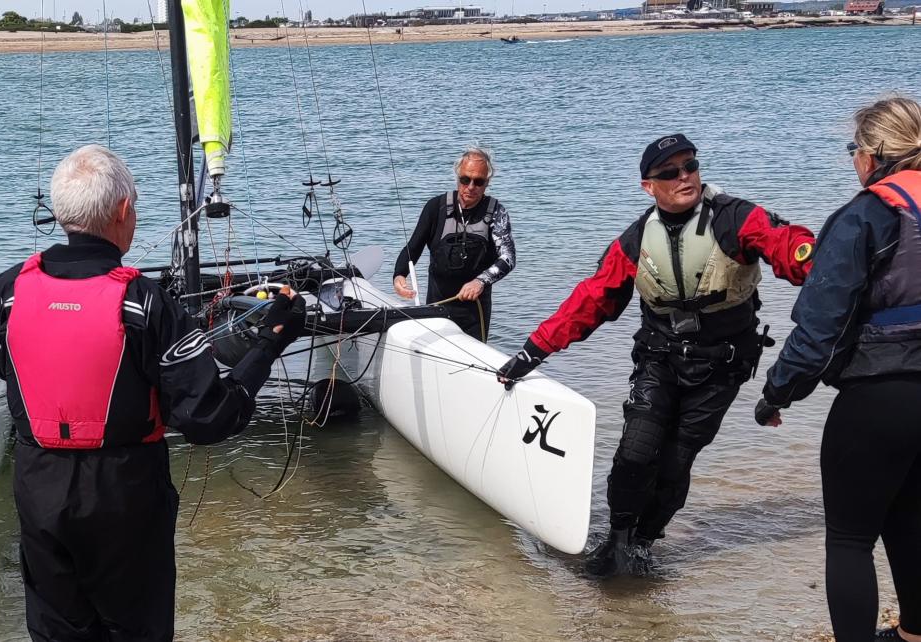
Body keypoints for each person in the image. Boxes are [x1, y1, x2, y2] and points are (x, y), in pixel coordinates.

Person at [0, 144, 306, 641]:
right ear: (124, 210)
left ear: (62, 211)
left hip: (38, 483)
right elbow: (209, 419)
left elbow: (6, 367)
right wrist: (269, 343)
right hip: (123, 491)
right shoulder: (147, 304)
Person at [497, 134, 815, 576]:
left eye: (690, 166)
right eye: (670, 172)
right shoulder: (634, 241)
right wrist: (532, 352)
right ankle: (617, 540)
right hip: (659, 359)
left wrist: (834, 270)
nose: (684, 176)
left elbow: (791, 249)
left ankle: (644, 544)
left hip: (722, 365)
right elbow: (590, 301)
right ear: (649, 185)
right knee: (635, 452)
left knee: (676, 461)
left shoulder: (737, 219)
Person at [755, 96, 921, 642]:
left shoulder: (864, 216)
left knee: (850, 538)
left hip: (881, 394)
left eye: (854, 150)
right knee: (909, 516)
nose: (853, 160)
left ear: (873, 155)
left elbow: (820, 332)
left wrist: (777, 394)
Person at [393, 146, 516, 341]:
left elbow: (508, 258)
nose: (470, 187)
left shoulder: (496, 212)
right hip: (437, 305)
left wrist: (480, 281)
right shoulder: (436, 207)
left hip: (475, 312)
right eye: (465, 179)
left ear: (487, 183)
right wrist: (399, 274)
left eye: (478, 182)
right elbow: (413, 247)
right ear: (457, 176)